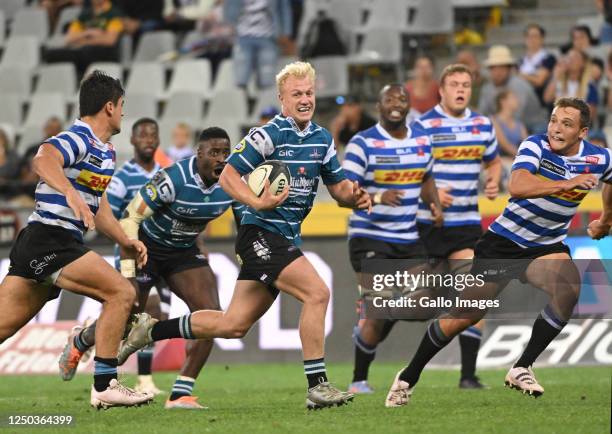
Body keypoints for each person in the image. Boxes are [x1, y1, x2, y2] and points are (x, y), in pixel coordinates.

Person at [117, 61, 372, 410]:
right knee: (317, 293)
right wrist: (257, 201)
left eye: (309, 93)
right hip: (260, 234)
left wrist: (353, 197)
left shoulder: (322, 140)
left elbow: (339, 188)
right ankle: (317, 385)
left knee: (233, 324)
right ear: (282, 98)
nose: (304, 99)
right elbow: (229, 176)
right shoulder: (266, 135)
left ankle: (149, 331)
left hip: (283, 238)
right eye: (296, 93)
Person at [385, 97, 612, 407]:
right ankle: (407, 377)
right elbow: (517, 185)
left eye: (567, 124)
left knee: (569, 287)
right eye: (554, 120)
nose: (556, 128)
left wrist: (605, 219)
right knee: (464, 316)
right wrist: (565, 184)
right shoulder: (536, 146)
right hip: (503, 244)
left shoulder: (598, 158)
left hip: (544, 246)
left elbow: (610, 176)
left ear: (582, 132)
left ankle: (522, 367)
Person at [61, 126, 243, 410]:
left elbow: (244, 222)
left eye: (225, 152)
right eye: (214, 152)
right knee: (126, 316)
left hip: (183, 252)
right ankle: (82, 339)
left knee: (214, 316)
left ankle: (180, 394)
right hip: (146, 248)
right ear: (199, 154)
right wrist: (129, 268)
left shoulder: (233, 181)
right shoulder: (173, 178)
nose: (221, 159)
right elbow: (131, 216)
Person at [0, 71, 152, 409]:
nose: (124, 113)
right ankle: (105, 384)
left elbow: (98, 210)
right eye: (122, 106)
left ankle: (100, 377)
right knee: (121, 293)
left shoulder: (107, 152)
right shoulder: (78, 137)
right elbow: (43, 159)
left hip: (52, 242)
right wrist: (69, 192)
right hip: (49, 239)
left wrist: (126, 240)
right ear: (109, 107)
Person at [57, 117, 169, 396]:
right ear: (132, 140)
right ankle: (123, 373)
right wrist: (127, 242)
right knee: (140, 311)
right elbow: (108, 214)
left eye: (152, 135)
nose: (148, 140)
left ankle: (86, 342)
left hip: (162, 254)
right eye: (142, 135)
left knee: (145, 317)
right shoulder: (122, 177)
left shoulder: (165, 173)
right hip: (131, 255)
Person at [343, 84, 443, 394]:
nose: (396, 104)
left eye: (401, 99)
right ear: (379, 105)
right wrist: (377, 195)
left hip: (407, 237)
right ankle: (359, 380)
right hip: (369, 238)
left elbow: (425, 177)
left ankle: (376, 313)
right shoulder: (363, 143)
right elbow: (344, 194)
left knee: (425, 303)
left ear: (409, 105)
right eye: (389, 99)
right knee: (379, 308)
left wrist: (435, 203)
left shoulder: (422, 142)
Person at [415, 64, 502, 389]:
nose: (460, 89)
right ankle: (361, 374)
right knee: (409, 302)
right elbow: (411, 172)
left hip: (465, 224)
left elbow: (493, 161)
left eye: (466, 84)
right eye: (454, 84)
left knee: (473, 296)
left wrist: (493, 180)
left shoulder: (482, 125)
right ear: (441, 89)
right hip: (426, 225)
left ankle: (467, 375)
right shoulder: (423, 126)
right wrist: (432, 194)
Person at [44, 0, 124, 77]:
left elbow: (110, 40)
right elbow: (69, 38)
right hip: (83, 51)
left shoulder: (113, 13)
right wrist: (88, 32)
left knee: (87, 51)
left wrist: (84, 40)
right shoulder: (84, 14)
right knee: (51, 54)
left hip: (105, 53)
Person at [224, 0, 292, 90]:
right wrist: (228, 25)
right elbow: (229, 6)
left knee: (267, 77)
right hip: (242, 37)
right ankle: (243, 101)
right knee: (240, 78)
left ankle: (264, 101)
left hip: (268, 37)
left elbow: (284, 9)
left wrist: (286, 32)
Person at [478, 45, 546, 133]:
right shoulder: (487, 89)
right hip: (503, 125)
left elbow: (516, 117)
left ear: (509, 69)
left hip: (533, 126)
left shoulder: (519, 85)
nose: (498, 72)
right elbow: (482, 114)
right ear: (490, 70)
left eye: (502, 67)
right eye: (494, 68)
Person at [543, 48, 599, 119]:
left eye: (575, 57)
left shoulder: (589, 85)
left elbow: (591, 114)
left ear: (583, 63)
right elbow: (547, 99)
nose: (571, 60)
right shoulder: (559, 81)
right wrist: (556, 77)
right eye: (569, 57)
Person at [518, 24, 557, 107]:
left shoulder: (548, 58)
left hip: (539, 103)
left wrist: (519, 75)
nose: (531, 39)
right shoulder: (521, 60)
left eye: (535, 36)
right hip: (521, 102)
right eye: (528, 36)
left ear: (542, 39)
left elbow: (539, 81)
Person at [491, 90, 528, 158]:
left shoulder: (519, 124)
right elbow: (505, 145)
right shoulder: (493, 121)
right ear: (503, 101)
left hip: (515, 159)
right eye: (513, 98)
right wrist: (524, 157)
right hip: (499, 160)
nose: (517, 100)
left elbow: (527, 144)